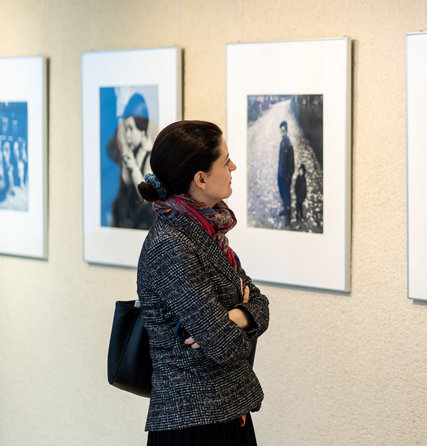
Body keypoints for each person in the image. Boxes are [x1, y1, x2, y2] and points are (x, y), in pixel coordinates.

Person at [136, 120, 270, 445]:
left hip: (227, 414)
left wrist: (238, 316)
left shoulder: (207, 231)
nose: (233, 166)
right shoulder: (171, 244)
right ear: (201, 178)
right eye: (226, 161)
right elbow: (225, 346)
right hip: (192, 425)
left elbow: (261, 304)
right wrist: (238, 315)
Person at [108, 93, 155, 229]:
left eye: (130, 129)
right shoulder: (130, 153)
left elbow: (147, 198)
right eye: (125, 129)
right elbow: (126, 184)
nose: (127, 135)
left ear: (142, 130)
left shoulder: (151, 156)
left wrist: (134, 168)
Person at [277, 120, 294, 221]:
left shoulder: (289, 144)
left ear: (287, 131)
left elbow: (292, 164)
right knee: (282, 192)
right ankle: (285, 208)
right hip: (280, 174)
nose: (282, 133)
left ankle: (288, 213)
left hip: (286, 176)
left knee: (286, 194)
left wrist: (288, 177)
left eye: (284, 131)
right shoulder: (282, 142)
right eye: (281, 131)